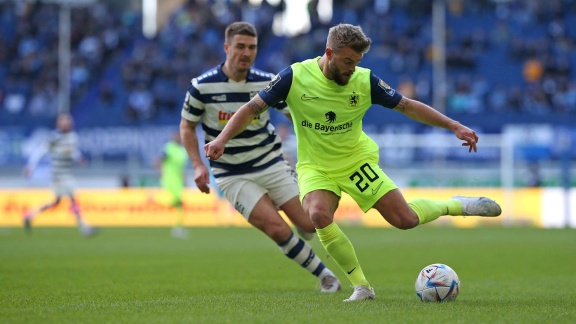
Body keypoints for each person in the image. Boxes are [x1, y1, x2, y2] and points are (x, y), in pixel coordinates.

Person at [204, 23, 502, 302]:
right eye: (348, 62)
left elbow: (408, 107)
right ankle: (362, 286)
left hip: (356, 162)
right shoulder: (294, 77)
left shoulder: (364, 80)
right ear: (330, 53)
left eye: (357, 62)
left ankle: (456, 204)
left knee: (405, 220)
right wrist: (221, 140)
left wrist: (454, 126)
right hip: (316, 166)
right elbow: (250, 109)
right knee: (318, 215)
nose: (352, 68)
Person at [180, 21, 341, 293]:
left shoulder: (266, 81)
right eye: (240, 47)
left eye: (252, 47)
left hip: (272, 163)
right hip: (232, 173)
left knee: (310, 224)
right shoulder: (202, 87)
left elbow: (294, 115)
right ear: (226, 47)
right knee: (278, 229)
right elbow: (187, 126)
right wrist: (197, 164)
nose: (246, 52)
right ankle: (326, 276)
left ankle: (274, 204)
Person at [23, 113, 98, 237]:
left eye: (69, 120)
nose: (67, 123)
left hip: (67, 172)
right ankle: (84, 227)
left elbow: (72, 151)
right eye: (65, 121)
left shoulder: (73, 137)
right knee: (73, 197)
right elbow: (40, 151)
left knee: (56, 202)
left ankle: (30, 215)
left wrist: (79, 158)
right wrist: (30, 166)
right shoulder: (54, 137)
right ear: (59, 123)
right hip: (59, 174)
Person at [150, 131, 190, 238]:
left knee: (179, 204)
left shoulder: (182, 151)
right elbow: (158, 160)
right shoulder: (169, 148)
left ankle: (178, 226)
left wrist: (184, 177)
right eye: (176, 136)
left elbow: (182, 167)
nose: (177, 138)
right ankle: (178, 227)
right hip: (168, 179)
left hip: (178, 182)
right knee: (178, 203)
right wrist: (159, 172)